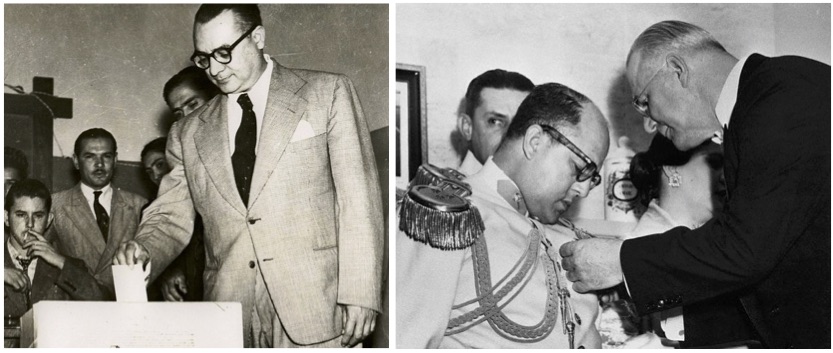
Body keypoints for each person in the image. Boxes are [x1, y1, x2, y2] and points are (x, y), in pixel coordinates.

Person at [113, 4, 383, 348]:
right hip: (228, 313)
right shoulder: (187, 132)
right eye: (203, 58)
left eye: (224, 53)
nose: (214, 68)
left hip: (320, 307)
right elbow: (170, 214)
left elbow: (358, 200)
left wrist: (362, 292)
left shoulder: (326, 93)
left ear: (257, 37)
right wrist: (144, 247)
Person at [560, 20, 830, 348]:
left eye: (644, 101)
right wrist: (658, 325)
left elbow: (745, 251)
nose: (647, 124)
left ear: (676, 69)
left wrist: (621, 261)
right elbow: (784, 285)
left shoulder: (784, 95)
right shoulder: (764, 103)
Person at [397, 83, 610, 348]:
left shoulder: (566, 234)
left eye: (594, 179)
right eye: (580, 169)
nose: (584, 189)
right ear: (535, 142)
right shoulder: (450, 218)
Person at [622, 134, 757, 348]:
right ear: (672, 170)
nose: (726, 175)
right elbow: (675, 337)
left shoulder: (722, 243)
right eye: (715, 162)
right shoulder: (639, 250)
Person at [47, 128, 148, 295]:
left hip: (126, 306)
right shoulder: (55, 205)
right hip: (75, 306)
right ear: (76, 161)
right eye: (90, 156)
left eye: (106, 156)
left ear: (115, 160)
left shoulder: (139, 205)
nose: (99, 164)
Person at [5, 179, 112, 319]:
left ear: (49, 220)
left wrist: (61, 262)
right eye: (21, 215)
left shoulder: (68, 266)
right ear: (6, 218)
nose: (30, 224)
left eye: (38, 216)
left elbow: (105, 305)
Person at [456, 69, 534, 175]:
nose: (511, 136)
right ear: (467, 127)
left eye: (522, 122)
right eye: (495, 121)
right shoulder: (446, 191)